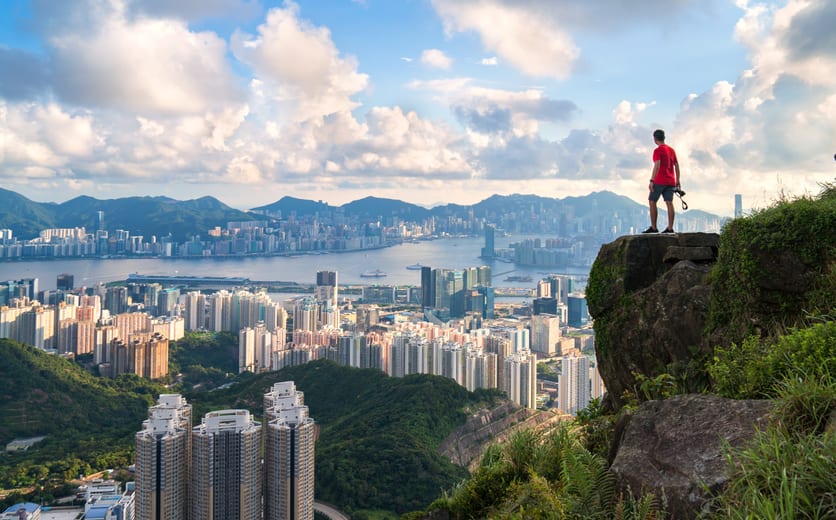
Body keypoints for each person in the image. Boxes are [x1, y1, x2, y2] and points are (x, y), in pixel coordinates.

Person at [643, 129, 681, 233]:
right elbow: (677, 166)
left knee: (652, 201)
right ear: (664, 137)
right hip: (671, 181)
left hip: (659, 180)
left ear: (655, 139)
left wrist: (652, 180)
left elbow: (657, 165)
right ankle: (670, 228)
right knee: (669, 203)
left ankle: (654, 228)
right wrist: (677, 180)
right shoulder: (671, 150)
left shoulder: (657, 150)